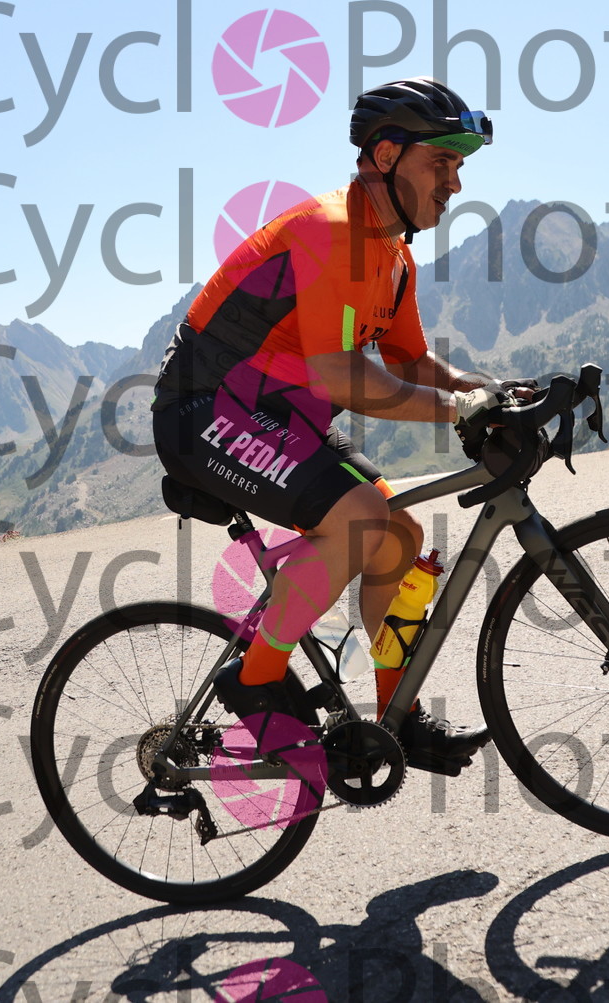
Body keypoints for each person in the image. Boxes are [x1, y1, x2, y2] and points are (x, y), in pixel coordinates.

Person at [151, 77, 509, 776]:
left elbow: (411, 359)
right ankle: (254, 680)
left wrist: (492, 390)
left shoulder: (392, 256)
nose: (455, 184)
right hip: (202, 411)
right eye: (442, 163)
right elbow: (343, 377)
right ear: (386, 155)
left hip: (278, 418)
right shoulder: (332, 232)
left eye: (459, 166)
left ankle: (397, 714)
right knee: (359, 515)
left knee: (400, 534)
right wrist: (459, 410)